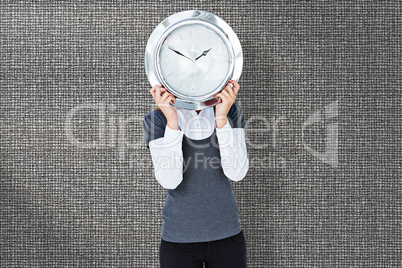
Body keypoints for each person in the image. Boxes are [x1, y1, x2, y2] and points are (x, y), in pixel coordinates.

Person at [142, 80, 249, 268]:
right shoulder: (156, 120)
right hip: (179, 240)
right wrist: (172, 122)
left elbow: (237, 172)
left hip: (227, 236)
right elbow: (170, 180)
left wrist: (221, 119)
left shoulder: (230, 111)